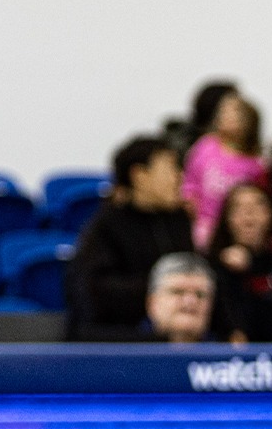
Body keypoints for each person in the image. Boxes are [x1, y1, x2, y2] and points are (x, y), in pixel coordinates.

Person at [67, 136, 196, 341]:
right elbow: (96, 292)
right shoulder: (106, 225)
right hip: (122, 336)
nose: (179, 177)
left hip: (178, 330)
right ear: (140, 175)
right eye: (170, 168)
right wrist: (160, 292)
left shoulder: (178, 220)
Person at [207, 184, 272, 344]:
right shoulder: (212, 268)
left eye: (258, 204)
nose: (249, 213)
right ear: (227, 219)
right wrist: (232, 275)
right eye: (238, 207)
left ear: (271, 215)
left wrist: (251, 266)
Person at [180, 90, 266, 249]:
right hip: (202, 223)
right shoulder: (206, 146)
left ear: (249, 122)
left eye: (234, 113)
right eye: (222, 112)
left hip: (235, 231)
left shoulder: (254, 163)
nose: (224, 116)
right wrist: (188, 198)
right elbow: (190, 179)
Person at [144, 253, 217, 344]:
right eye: (178, 292)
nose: (190, 301)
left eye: (200, 294)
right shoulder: (126, 347)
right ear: (152, 303)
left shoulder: (230, 352)